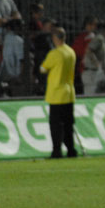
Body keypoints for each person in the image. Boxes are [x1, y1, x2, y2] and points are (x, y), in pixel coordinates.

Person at [40, 27, 77, 159]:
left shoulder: (55, 54)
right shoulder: (71, 52)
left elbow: (43, 68)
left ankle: (57, 151)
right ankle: (71, 150)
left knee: (56, 126)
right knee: (68, 125)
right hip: (69, 93)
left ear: (55, 38)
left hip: (56, 94)